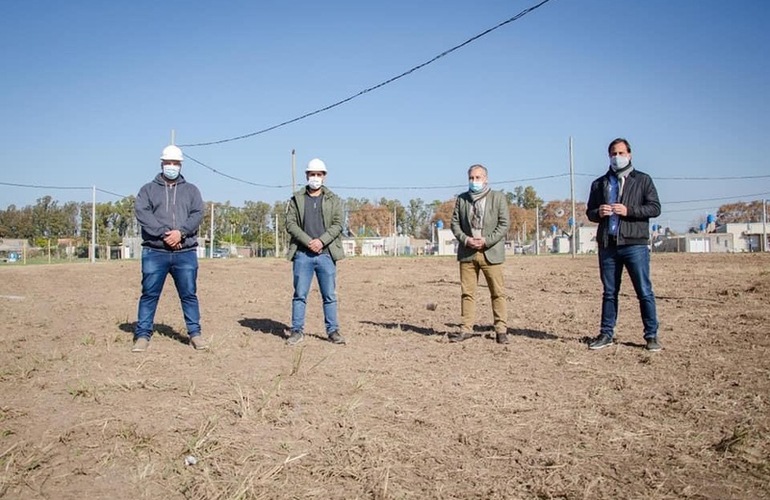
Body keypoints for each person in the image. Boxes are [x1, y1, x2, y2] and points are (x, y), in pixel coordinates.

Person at [586, 138, 662, 352]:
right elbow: (590, 212)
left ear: (629, 154)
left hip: (634, 245)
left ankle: (651, 335)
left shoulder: (643, 180)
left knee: (644, 291)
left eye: (620, 153)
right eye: (613, 153)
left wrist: (629, 211)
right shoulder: (600, 183)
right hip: (608, 245)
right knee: (609, 292)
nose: (616, 157)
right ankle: (606, 333)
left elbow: (655, 208)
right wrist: (597, 213)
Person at [132, 144, 207, 352]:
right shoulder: (147, 190)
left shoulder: (191, 190)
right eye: (168, 162)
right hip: (155, 252)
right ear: (162, 163)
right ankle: (142, 335)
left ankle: (195, 334)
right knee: (149, 294)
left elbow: (197, 214)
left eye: (175, 163)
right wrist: (166, 233)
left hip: (185, 253)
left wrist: (180, 233)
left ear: (181, 165)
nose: (172, 166)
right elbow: (143, 214)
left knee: (189, 294)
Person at [285, 158, 346, 346]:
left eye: (319, 174)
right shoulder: (297, 199)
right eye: (312, 174)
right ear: (307, 175)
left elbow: (338, 224)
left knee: (329, 296)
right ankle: (297, 331)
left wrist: (321, 241)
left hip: (326, 255)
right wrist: (308, 241)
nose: (316, 177)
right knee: (300, 295)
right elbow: (290, 223)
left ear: (324, 177)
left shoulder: (334, 200)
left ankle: (332, 331)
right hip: (303, 255)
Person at [449, 164, 510, 344]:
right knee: (467, 293)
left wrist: (487, 240)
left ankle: (501, 330)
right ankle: (466, 329)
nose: (474, 181)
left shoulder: (498, 198)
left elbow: (504, 224)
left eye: (478, 177)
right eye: (471, 178)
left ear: (486, 179)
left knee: (497, 292)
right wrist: (466, 239)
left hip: (490, 252)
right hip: (468, 253)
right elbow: (455, 224)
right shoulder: (462, 199)